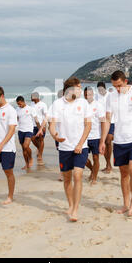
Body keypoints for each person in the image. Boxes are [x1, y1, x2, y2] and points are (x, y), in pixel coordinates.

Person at [99, 71, 132, 217]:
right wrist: (103, 141)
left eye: (119, 85)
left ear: (126, 81)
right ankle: (125, 203)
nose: (117, 89)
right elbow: (108, 119)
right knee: (123, 174)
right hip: (119, 140)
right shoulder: (111, 97)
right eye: (114, 86)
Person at [48, 77, 92, 222]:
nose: (81, 90)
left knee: (77, 175)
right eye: (78, 87)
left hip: (81, 146)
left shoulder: (84, 103)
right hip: (64, 147)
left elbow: (88, 125)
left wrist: (80, 144)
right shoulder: (57, 104)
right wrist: (55, 135)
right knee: (67, 178)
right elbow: (52, 124)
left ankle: (75, 209)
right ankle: (70, 204)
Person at [84, 87, 106, 184]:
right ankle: (93, 170)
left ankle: (94, 178)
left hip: (96, 136)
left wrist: (102, 139)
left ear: (92, 94)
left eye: (88, 94)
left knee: (95, 157)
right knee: (83, 158)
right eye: (85, 95)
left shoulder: (98, 105)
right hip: (84, 136)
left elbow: (103, 122)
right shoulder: (82, 105)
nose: (87, 96)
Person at [16, 96, 38, 171]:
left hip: (29, 130)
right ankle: (26, 164)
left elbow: (36, 119)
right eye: (18, 104)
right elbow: (17, 119)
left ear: (23, 101)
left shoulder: (30, 109)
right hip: (20, 130)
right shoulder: (17, 109)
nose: (19, 105)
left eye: (20, 104)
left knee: (26, 146)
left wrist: (39, 129)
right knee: (23, 149)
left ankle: (31, 158)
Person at [96, 81, 113, 173]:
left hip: (111, 121)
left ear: (105, 88)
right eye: (98, 89)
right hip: (100, 122)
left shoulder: (110, 95)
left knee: (108, 141)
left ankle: (109, 165)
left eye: (101, 89)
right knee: (103, 143)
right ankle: (107, 164)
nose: (100, 91)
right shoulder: (96, 96)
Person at [30, 92, 48, 166]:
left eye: (32, 97)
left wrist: (44, 126)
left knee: (41, 140)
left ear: (36, 97)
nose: (31, 98)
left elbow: (46, 115)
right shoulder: (31, 104)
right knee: (33, 138)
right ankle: (39, 149)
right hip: (32, 125)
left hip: (41, 125)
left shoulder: (43, 105)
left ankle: (40, 155)